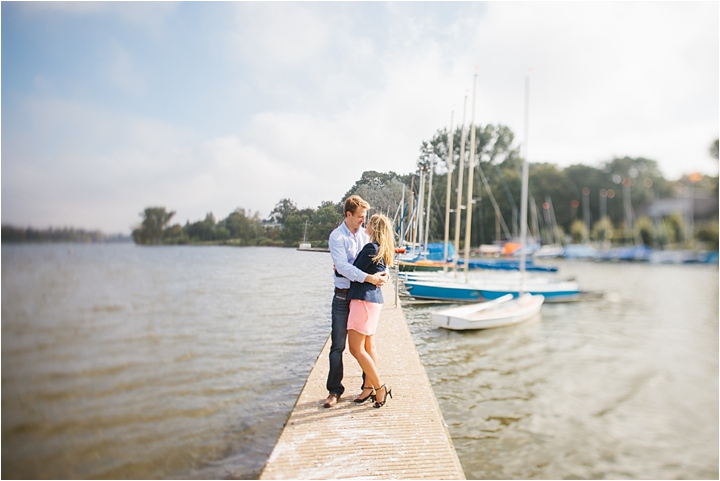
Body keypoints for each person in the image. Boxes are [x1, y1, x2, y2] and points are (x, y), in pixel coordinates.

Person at [324, 195, 387, 408]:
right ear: (348, 214)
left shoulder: (364, 236)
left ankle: (368, 387)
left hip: (360, 297)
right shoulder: (337, 237)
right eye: (360, 216)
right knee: (338, 345)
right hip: (343, 296)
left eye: (365, 217)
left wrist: (383, 275)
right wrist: (369, 277)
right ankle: (335, 391)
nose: (363, 220)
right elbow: (343, 267)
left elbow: (375, 260)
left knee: (366, 345)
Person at [346, 213, 395, 408]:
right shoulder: (382, 250)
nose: (365, 224)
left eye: (369, 223)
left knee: (356, 348)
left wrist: (338, 268)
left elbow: (354, 272)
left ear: (373, 228)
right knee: (368, 347)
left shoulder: (370, 248)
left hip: (363, 300)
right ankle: (369, 388)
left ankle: (379, 386)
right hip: (373, 301)